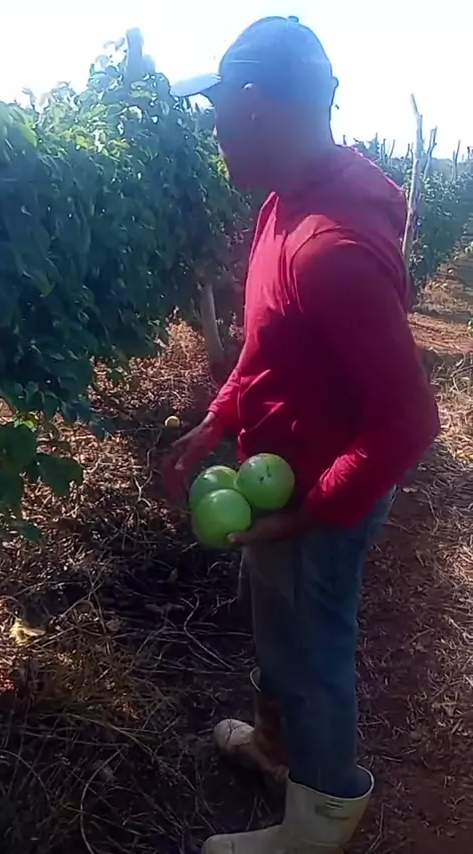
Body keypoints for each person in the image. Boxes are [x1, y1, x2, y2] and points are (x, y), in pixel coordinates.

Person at [165, 15, 440, 854]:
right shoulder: (285, 203)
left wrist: (311, 513)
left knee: (314, 652)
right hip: (279, 477)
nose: (214, 131)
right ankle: (277, 748)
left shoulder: (330, 249)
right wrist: (218, 420)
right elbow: (267, 346)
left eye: (216, 111)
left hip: (323, 492)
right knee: (277, 626)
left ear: (253, 103)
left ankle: (319, 819)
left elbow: (409, 422)